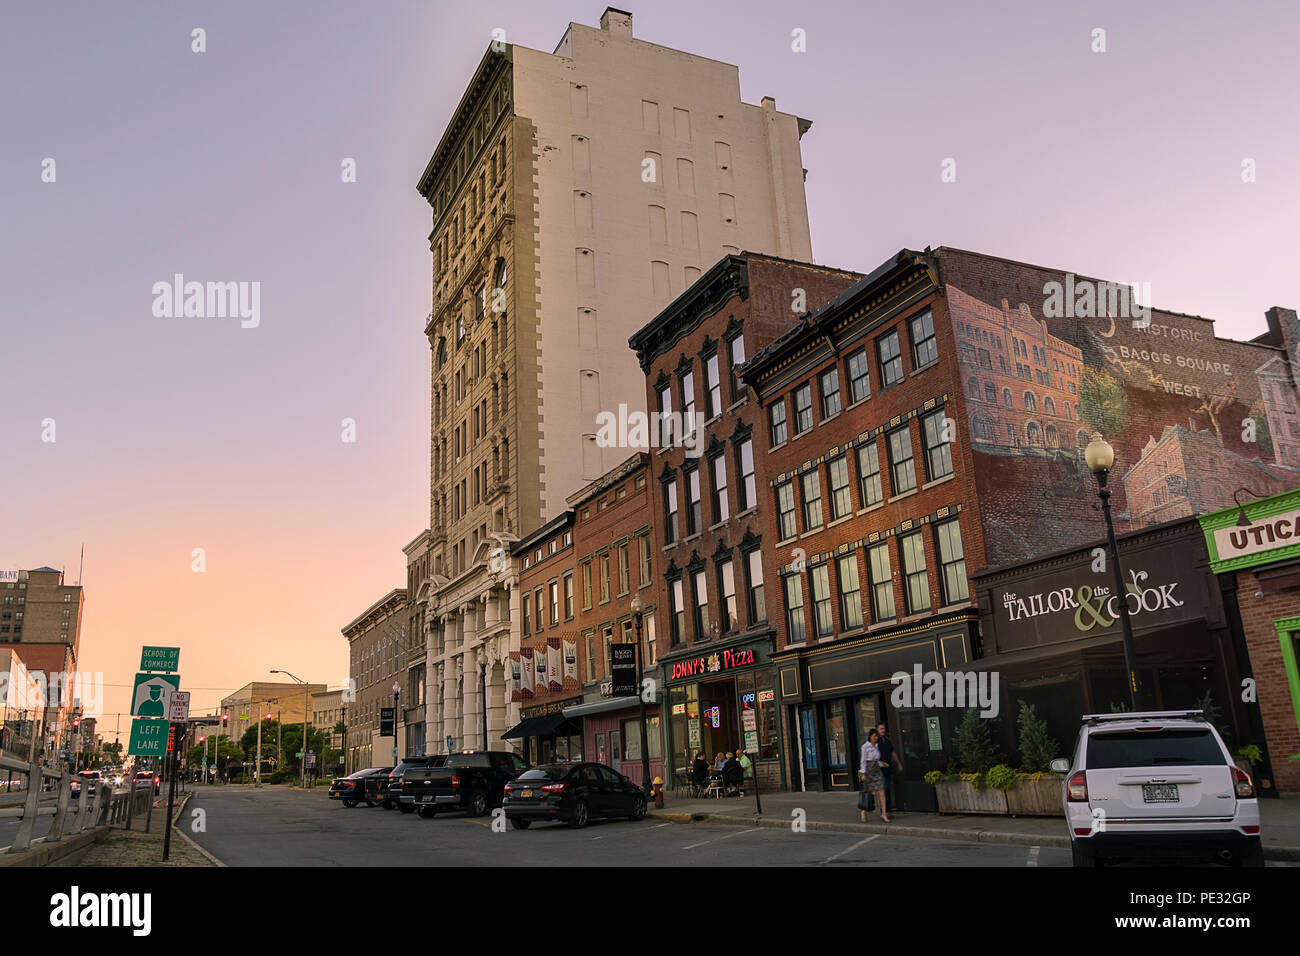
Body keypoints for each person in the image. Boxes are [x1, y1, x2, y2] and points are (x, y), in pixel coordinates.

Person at [859, 729, 889, 824]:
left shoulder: (876, 746)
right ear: (870, 736)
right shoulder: (865, 747)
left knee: (882, 791)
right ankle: (864, 811)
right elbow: (863, 760)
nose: (876, 738)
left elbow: (876, 760)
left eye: (877, 736)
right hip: (869, 770)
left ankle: (883, 813)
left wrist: (882, 763)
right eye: (874, 736)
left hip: (877, 770)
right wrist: (863, 773)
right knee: (868, 792)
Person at [876, 722, 903, 813]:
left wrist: (899, 763)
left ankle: (888, 810)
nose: (883, 730)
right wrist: (881, 763)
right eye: (881, 729)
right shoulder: (876, 742)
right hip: (879, 770)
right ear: (877, 730)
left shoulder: (887, 741)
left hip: (888, 769)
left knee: (888, 789)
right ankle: (885, 811)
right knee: (884, 789)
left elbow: (893, 753)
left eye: (884, 728)